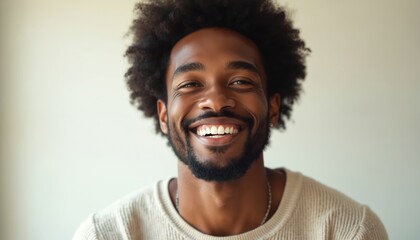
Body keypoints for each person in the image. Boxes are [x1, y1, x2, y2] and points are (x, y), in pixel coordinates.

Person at [73, 0, 388, 239]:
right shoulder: (109, 234)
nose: (216, 100)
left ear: (273, 108)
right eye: (190, 84)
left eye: (241, 81)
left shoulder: (347, 230)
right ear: (164, 116)